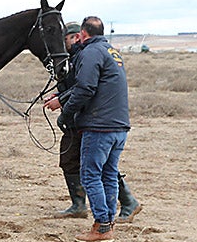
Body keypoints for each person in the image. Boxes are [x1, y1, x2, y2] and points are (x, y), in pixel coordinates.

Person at [46, 22, 141, 221]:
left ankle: (117, 210)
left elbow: (85, 88)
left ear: (79, 36)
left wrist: (62, 104)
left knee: (98, 168)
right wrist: (59, 94)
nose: (70, 42)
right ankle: (81, 206)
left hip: (95, 120)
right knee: (73, 161)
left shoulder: (89, 54)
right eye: (67, 39)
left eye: (72, 37)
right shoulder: (76, 57)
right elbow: (76, 86)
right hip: (89, 119)